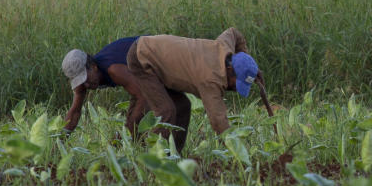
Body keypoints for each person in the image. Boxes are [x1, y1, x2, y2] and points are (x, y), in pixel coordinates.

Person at [125, 27, 260, 154]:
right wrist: (237, 152)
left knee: (183, 106)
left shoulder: (224, 47)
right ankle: (154, 157)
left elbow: (234, 32)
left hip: (161, 62)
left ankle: (175, 155)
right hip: (143, 57)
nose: (236, 89)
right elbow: (219, 121)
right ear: (230, 70)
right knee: (166, 111)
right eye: (237, 84)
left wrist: (247, 63)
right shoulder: (211, 79)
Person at [61, 36, 146, 135]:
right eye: (80, 81)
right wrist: (61, 140)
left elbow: (144, 96)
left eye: (85, 78)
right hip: (144, 77)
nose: (86, 85)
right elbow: (75, 112)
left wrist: (126, 134)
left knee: (160, 115)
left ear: (93, 67)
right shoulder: (84, 84)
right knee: (135, 123)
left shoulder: (114, 69)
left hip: (155, 55)